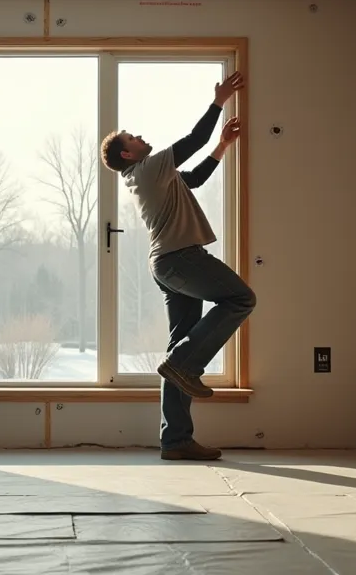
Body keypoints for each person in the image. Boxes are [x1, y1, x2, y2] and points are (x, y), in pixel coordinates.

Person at [99, 71, 256, 461]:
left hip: (169, 265)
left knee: (178, 347)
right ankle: (184, 363)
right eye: (132, 137)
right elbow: (192, 141)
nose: (139, 136)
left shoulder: (154, 176)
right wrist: (218, 101)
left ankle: (176, 440)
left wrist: (221, 147)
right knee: (241, 299)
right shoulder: (148, 169)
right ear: (127, 154)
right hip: (181, 259)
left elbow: (194, 178)